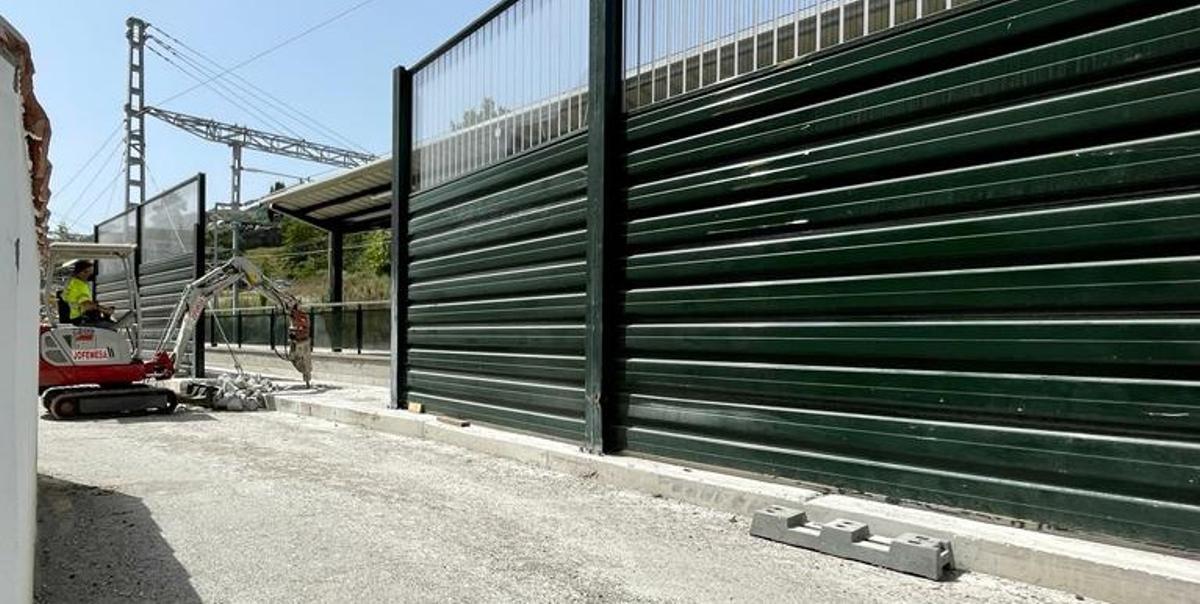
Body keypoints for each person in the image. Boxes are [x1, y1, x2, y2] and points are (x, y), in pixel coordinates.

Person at [61, 260, 115, 327]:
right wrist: (105, 310)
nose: (89, 275)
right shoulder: (79, 286)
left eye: (91, 272)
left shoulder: (72, 283)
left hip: (75, 317)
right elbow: (87, 305)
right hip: (80, 319)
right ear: (80, 272)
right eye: (87, 272)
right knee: (112, 327)